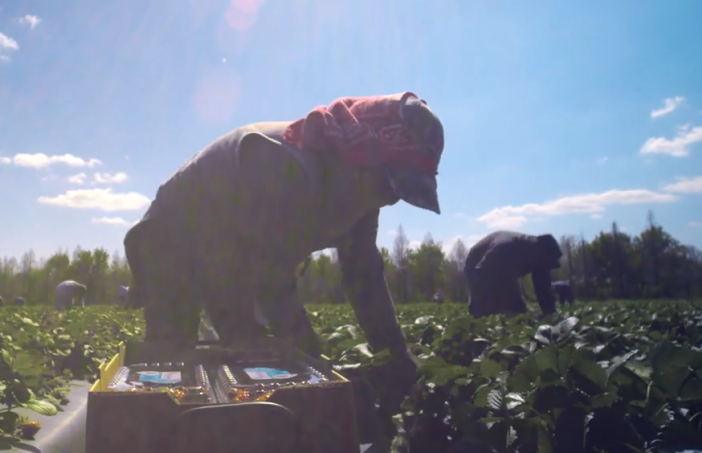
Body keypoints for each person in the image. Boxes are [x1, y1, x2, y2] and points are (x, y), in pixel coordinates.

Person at [124, 91, 444, 417]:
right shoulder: (287, 165)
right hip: (172, 236)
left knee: (254, 357)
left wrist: (397, 359)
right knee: (175, 364)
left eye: (397, 193)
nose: (389, 200)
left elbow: (366, 280)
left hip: (232, 253)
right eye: (388, 185)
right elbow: (268, 280)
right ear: (362, 157)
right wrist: (316, 363)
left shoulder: (365, 198)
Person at [464, 231, 563, 318]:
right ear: (540, 253)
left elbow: (543, 285)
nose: (546, 265)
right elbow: (480, 272)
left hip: (502, 267)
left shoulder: (539, 256)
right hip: (478, 262)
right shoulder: (506, 247)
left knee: (516, 310)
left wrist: (549, 311)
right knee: (489, 309)